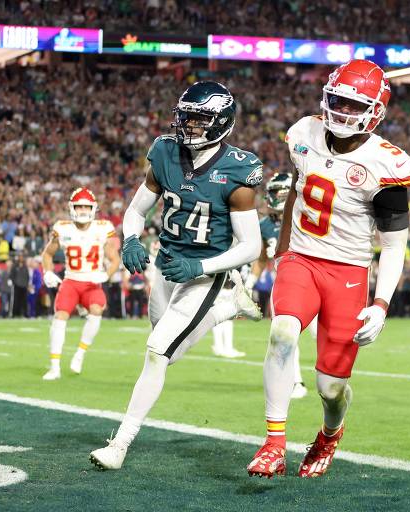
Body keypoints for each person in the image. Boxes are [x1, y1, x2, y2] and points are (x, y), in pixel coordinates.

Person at [247, 60, 410, 479]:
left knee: (330, 388)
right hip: (302, 259)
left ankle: (330, 433)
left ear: (375, 110)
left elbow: (394, 245)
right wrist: (283, 254)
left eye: (354, 104)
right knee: (282, 333)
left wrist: (380, 304)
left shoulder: (385, 164)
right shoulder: (304, 133)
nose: (341, 111)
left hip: (349, 271)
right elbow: (295, 199)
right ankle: (273, 443)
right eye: (337, 99)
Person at [89, 81, 263, 470]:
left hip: (204, 273)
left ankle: (119, 444)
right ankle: (227, 309)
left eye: (199, 120)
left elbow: (251, 246)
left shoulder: (237, 169)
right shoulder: (165, 152)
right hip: (166, 265)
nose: (189, 127)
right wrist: (130, 238)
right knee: (166, 352)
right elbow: (135, 211)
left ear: (221, 123)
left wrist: (198, 267)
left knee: (156, 352)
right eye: (185, 117)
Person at [40, 188, 120, 379]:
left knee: (97, 310)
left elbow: (115, 259)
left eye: (86, 206)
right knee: (59, 317)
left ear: (93, 208)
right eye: (79, 206)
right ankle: (54, 367)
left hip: (92, 281)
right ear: (72, 208)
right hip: (71, 280)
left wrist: (106, 275)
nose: (83, 210)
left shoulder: (103, 227)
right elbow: (47, 254)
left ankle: (80, 354)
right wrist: (48, 271)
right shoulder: (63, 228)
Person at [244, 172, 307, 398]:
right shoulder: (265, 225)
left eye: (275, 192)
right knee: (286, 334)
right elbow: (261, 260)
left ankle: (330, 383)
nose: (271, 196)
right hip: (285, 284)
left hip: (311, 282)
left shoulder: (304, 216)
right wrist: (250, 283)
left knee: (324, 337)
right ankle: (296, 382)